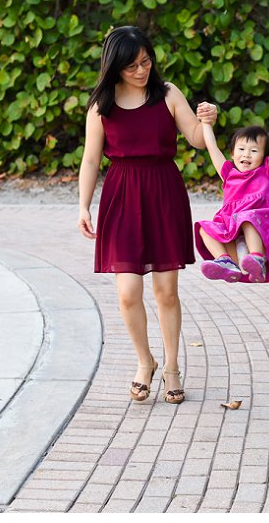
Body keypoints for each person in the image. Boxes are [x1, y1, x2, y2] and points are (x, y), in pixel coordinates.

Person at [76, 26, 210, 405]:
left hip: (164, 192)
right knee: (127, 292)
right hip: (121, 196)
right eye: (132, 65)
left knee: (166, 291)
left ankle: (171, 367)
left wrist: (208, 119)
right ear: (115, 67)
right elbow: (90, 159)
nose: (141, 70)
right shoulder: (101, 106)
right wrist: (84, 204)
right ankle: (144, 361)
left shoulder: (168, 94)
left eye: (146, 61)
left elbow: (197, 138)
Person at [193, 116, 269, 284]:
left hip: (257, 228)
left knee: (247, 216)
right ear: (232, 153)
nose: (246, 154)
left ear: (264, 156)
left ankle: (258, 258)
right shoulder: (229, 175)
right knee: (202, 228)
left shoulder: (266, 172)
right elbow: (212, 147)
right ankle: (226, 261)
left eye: (254, 150)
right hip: (231, 229)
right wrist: (206, 124)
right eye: (241, 149)